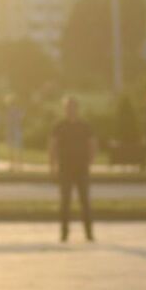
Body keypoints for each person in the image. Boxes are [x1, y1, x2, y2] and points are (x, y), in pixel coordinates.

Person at [49, 96, 98, 243]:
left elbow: (92, 143)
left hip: (81, 168)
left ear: (77, 109)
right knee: (65, 202)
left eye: (73, 108)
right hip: (65, 168)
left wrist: (90, 160)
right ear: (65, 109)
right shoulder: (59, 126)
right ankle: (64, 233)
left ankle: (89, 233)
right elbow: (53, 145)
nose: (70, 111)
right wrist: (52, 165)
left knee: (85, 202)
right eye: (68, 108)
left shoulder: (84, 126)